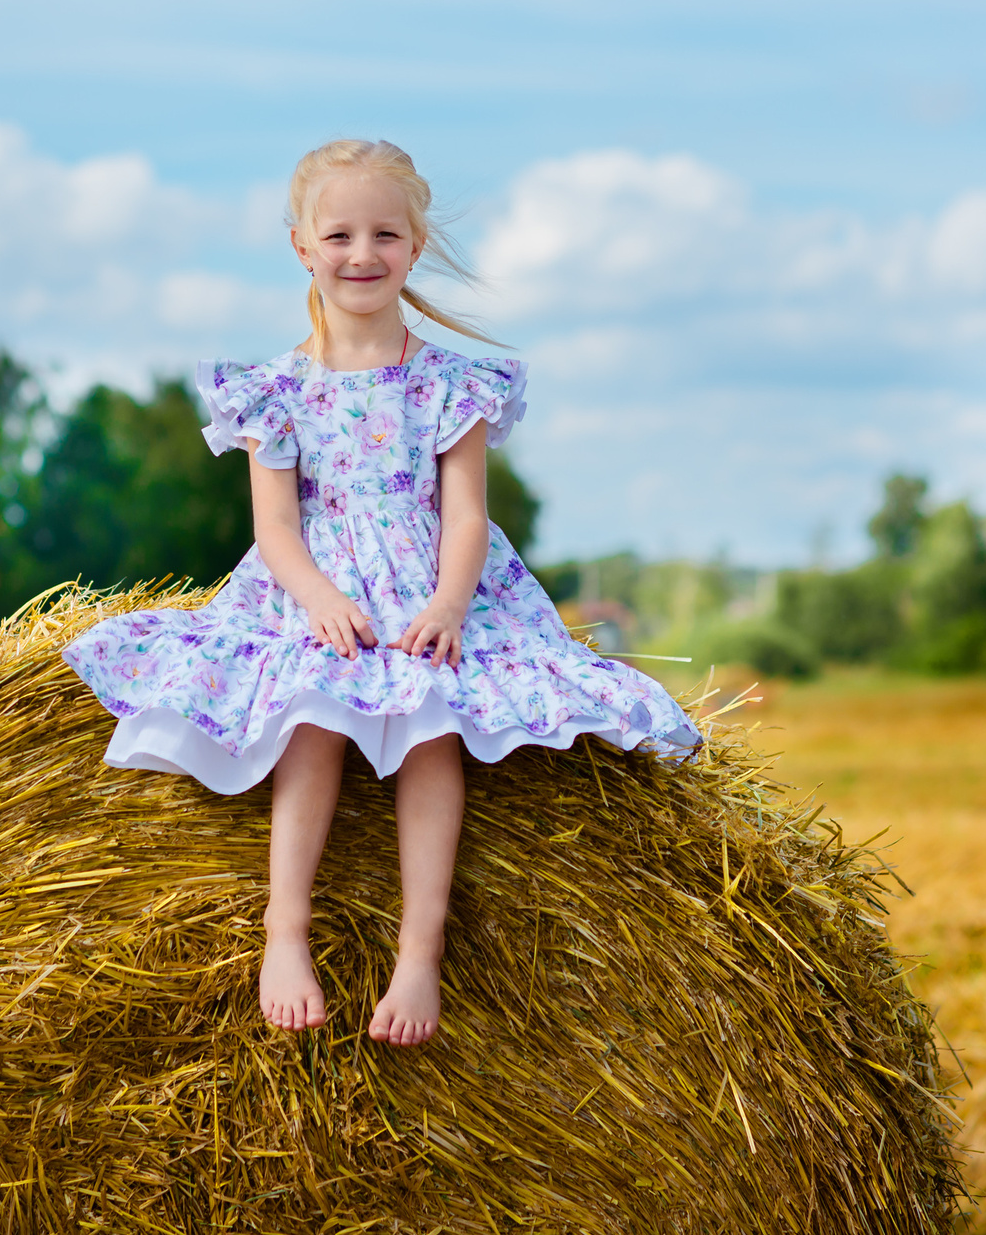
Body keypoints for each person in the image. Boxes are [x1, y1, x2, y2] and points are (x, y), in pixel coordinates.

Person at [63, 139, 701, 1048]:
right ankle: (286, 932)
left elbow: (468, 514)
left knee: (434, 729)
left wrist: (446, 605)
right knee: (310, 719)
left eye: (385, 234)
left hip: (428, 583)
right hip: (316, 591)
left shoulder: (450, 382)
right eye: (340, 234)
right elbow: (275, 526)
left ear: (415, 243)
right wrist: (320, 598)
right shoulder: (274, 390)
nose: (362, 253)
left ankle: (420, 949)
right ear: (301, 246)